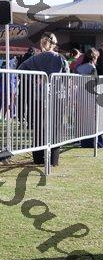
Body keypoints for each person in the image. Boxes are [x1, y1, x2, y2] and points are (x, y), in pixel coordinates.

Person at [18, 32, 69, 166]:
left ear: (42, 43)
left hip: (38, 96)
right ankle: (53, 159)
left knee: (38, 127)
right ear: (55, 44)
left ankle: (38, 158)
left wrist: (34, 78)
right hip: (57, 96)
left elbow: (20, 69)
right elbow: (66, 78)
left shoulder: (34, 58)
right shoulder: (60, 58)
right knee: (56, 127)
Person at [77, 48, 103, 149]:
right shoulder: (92, 67)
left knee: (84, 120)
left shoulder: (79, 67)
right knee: (94, 118)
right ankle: (98, 142)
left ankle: (85, 142)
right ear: (95, 57)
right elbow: (95, 82)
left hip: (80, 94)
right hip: (90, 95)